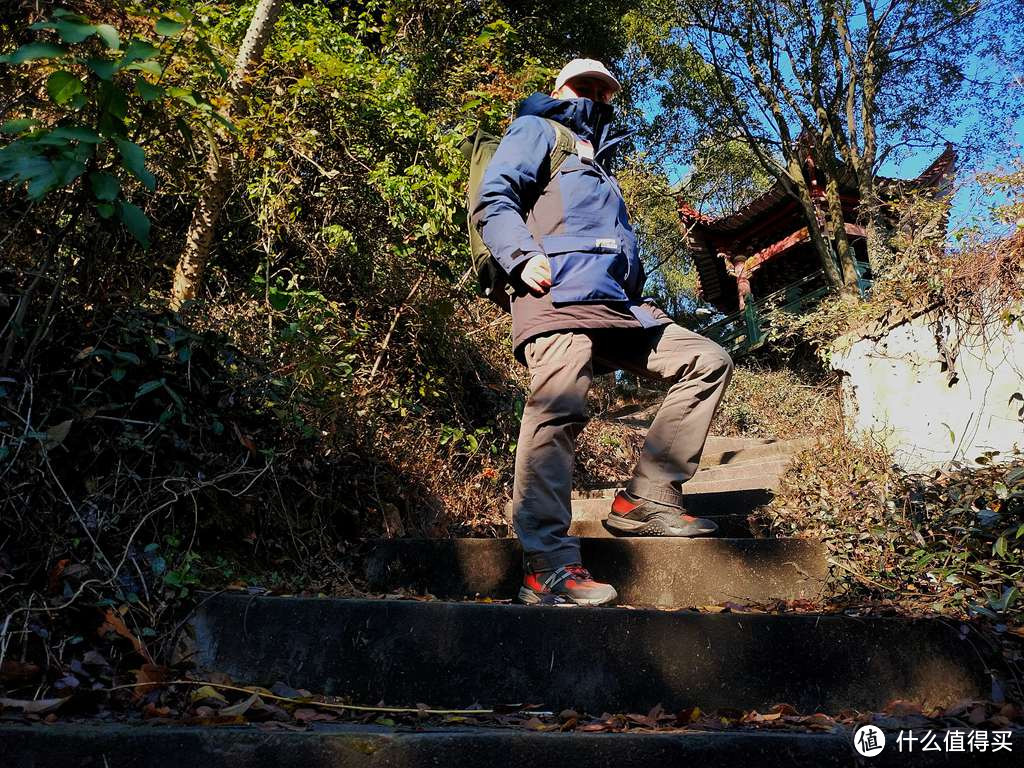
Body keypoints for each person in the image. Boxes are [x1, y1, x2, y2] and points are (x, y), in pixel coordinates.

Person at [472, 59, 734, 606]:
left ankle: (647, 497)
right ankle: (545, 564)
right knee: (559, 407)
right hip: (554, 295)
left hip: (616, 305)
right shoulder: (537, 129)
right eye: (580, 85)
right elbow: (494, 197)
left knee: (706, 360)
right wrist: (521, 258)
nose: (591, 94)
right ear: (556, 88)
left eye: (601, 88)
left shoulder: (601, 157)